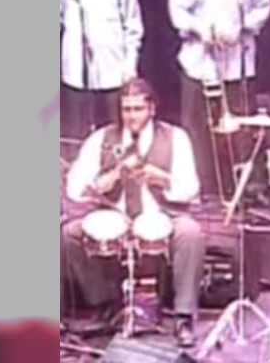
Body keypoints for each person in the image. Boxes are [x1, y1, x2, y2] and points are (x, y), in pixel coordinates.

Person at [62, 78, 205, 348]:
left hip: (162, 213)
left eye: (138, 109)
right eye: (126, 109)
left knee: (191, 233)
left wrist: (163, 179)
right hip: (114, 214)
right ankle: (104, 304)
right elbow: (74, 187)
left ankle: (184, 316)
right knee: (69, 234)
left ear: (151, 109)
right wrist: (100, 183)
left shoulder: (176, 137)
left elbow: (191, 188)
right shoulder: (101, 138)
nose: (131, 116)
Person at [168, 0, 270, 198]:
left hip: (238, 66)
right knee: (197, 130)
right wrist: (200, 29)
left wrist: (241, 28)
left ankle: (244, 191)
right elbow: (177, 11)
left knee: (240, 130)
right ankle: (203, 190)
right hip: (198, 65)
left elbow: (263, 7)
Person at [60, 0, 144, 139]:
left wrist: (130, 66)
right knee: (78, 139)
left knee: (115, 139)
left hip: (114, 75)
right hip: (76, 76)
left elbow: (133, 25)